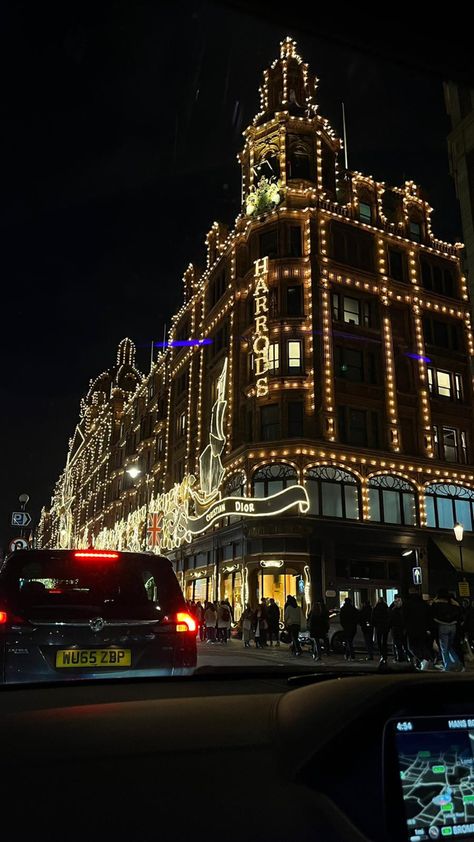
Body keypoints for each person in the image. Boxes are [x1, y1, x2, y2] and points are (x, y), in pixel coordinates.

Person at [432, 588, 463, 672]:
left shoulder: (436, 604)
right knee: (450, 646)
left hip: (442, 626)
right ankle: (458, 663)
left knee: (444, 648)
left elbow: (432, 615)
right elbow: (460, 613)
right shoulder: (452, 604)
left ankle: (447, 666)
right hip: (453, 626)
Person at [403, 588, 432, 670]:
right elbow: (428, 616)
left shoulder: (407, 603)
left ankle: (423, 660)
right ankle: (425, 660)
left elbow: (404, 617)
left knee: (411, 647)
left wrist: (405, 628)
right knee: (422, 645)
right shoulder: (423, 603)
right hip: (422, 628)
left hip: (411, 629)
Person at [372, 596, 390, 664]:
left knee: (379, 640)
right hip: (385, 626)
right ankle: (385, 654)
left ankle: (381, 653)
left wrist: (374, 624)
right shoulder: (386, 608)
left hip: (378, 626)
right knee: (384, 641)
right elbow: (389, 617)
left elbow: (373, 618)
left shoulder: (376, 608)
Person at [389, 594, 407, 662]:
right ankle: (405, 658)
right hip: (402, 629)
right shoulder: (404, 608)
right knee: (404, 645)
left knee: (397, 645)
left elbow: (390, 619)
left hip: (395, 629)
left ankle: (399, 658)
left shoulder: (393, 610)